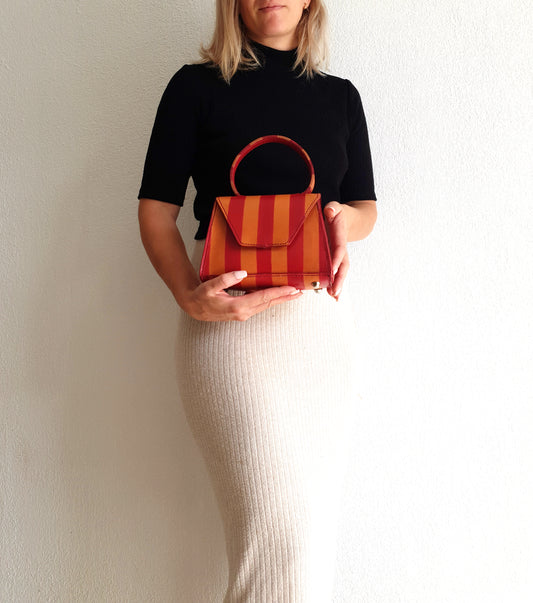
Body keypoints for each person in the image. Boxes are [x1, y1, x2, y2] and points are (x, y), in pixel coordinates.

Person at [137, 1, 377, 600]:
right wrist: (188, 296)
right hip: (228, 331)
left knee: (308, 546)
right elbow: (156, 211)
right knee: (276, 543)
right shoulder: (195, 87)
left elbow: (366, 208)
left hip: (320, 332)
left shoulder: (341, 97)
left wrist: (342, 219)